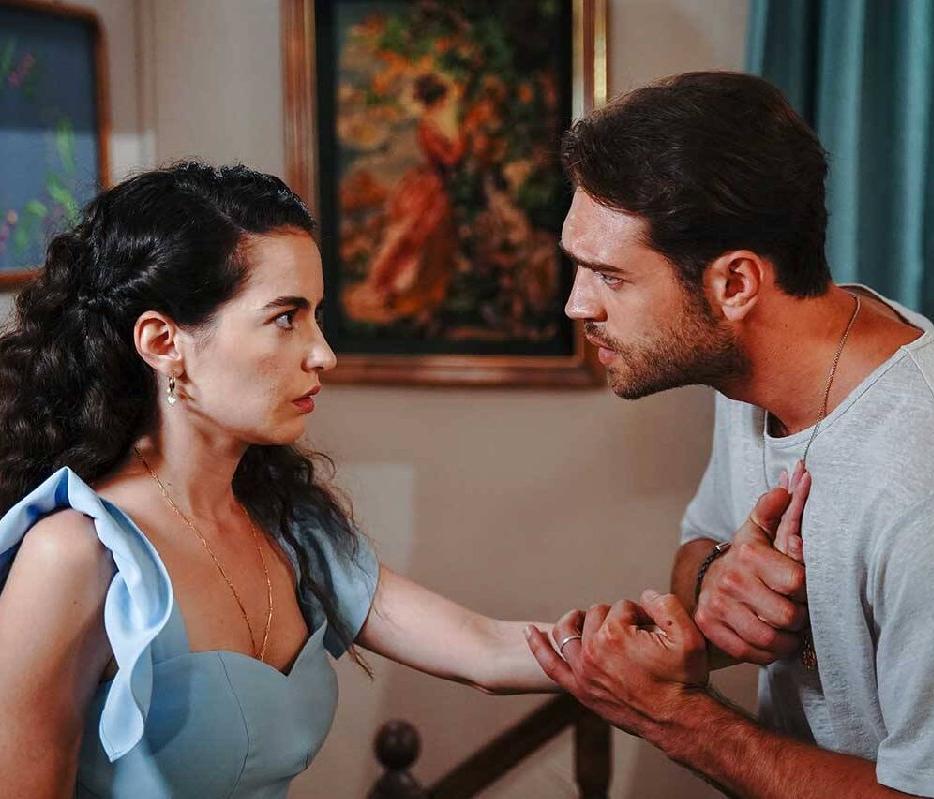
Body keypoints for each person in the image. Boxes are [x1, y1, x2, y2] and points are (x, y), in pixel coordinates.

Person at [525, 71, 934, 798]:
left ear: (735, 283)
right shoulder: (759, 369)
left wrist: (673, 716)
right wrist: (715, 579)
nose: (575, 305)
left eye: (610, 277)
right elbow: (697, 550)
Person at [0, 161, 564, 797]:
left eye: (316, 316)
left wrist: (636, 639)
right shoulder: (74, 555)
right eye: (285, 318)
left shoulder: (290, 526)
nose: (324, 354)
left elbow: (484, 650)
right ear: (163, 342)